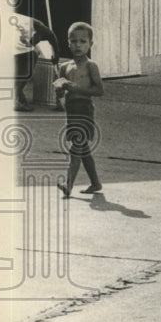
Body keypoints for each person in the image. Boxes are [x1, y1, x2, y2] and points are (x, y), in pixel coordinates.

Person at [55, 21, 105, 197]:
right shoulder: (64, 67)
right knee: (83, 149)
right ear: (68, 43)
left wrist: (76, 88)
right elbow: (60, 92)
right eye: (74, 41)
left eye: (83, 41)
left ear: (90, 44)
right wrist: (60, 90)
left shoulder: (91, 66)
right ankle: (95, 183)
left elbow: (99, 90)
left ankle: (68, 185)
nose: (78, 45)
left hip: (84, 110)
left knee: (76, 147)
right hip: (72, 111)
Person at [12, 9, 60, 111]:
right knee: (24, 73)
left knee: (18, 75)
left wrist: (56, 55)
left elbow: (50, 38)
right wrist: (56, 55)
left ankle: (19, 99)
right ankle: (16, 100)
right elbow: (52, 37)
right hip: (16, 47)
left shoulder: (37, 29)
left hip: (14, 46)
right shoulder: (37, 26)